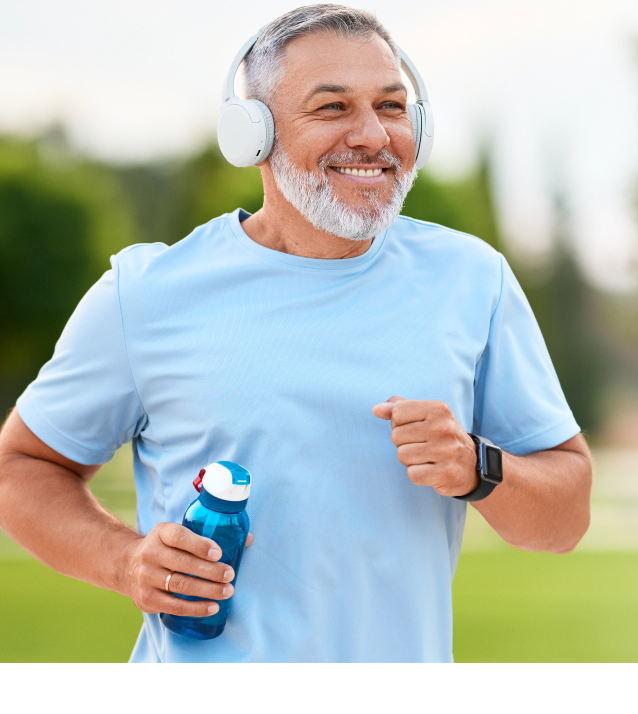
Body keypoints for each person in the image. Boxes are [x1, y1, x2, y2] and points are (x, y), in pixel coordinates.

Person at [0, 4, 591, 662]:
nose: (372, 135)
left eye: (392, 107)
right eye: (333, 108)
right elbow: (21, 467)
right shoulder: (146, 293)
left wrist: (479, 466)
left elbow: (566, 516)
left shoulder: (473, 281)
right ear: (252, 134)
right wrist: (126, 562)